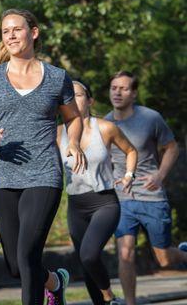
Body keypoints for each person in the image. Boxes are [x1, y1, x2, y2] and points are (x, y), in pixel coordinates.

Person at [0, 8, 86, 305]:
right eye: (6, 31)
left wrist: (74, 142)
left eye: (17, 29)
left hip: (44, 173)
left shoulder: (57, 77)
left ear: (34, 32)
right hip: (3, 174)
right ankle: (55, 282)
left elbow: (73, 118)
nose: (11, 36)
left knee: (28, 253)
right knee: (16, 265)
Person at [105, 71, 185, 305]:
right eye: (113, 88)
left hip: (151, 197)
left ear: (134, 93)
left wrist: (160, 175)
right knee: (125, 253)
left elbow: (172, 148)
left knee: (164, 259)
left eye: (124, 88)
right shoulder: (105, 123)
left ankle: (182, 253)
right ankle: (130, 303)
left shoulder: (151, 118)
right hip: (122, 198)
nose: (117, 92)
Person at [57, 80, 137, 305]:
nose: (72, 100)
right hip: (76, 205)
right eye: (68, 96)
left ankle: (111, 297)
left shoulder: (105, 128)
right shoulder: (58, 133)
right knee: (86, 264)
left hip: (104, 202)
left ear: (90, 101)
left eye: (78, 95)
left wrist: (129, 175)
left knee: (89, 254)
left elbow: (130, 150)